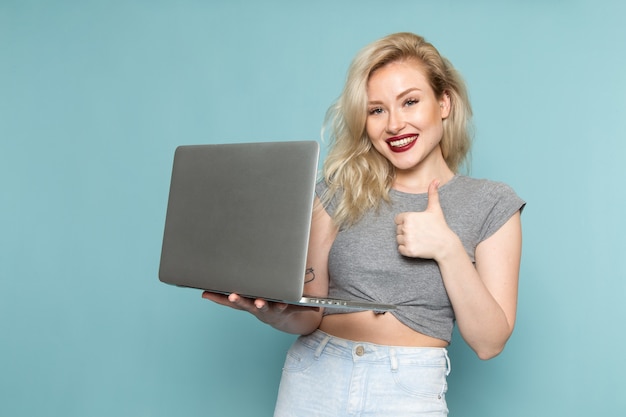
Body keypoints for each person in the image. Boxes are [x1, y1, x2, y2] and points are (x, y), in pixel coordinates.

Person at [202, 32, 525, 416]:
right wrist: (276, 313)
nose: (394, 124)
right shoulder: (337, 191)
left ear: (444, 102)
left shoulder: (492, 203)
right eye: (377, 110)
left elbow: (490, 342)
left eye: (410, 101)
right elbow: (310, 314)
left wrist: (447, 249)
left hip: (407, 386)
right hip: (315, 374)